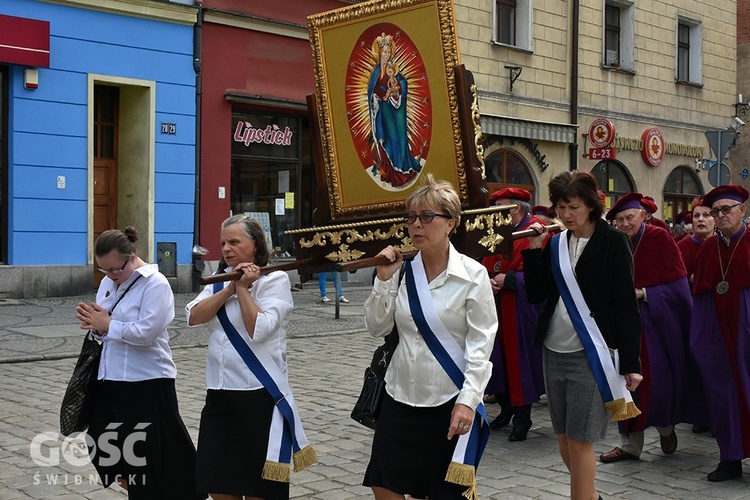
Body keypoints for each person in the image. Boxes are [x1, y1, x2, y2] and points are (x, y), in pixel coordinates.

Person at [363, 173, 497, 499]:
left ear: (450, 223)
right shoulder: (400, 271)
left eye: (426, 216)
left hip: (448, 402)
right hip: (399, 397)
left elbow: (481, 345)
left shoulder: (472, 275)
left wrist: (468, 402)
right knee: (384, 483)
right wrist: (383, 280)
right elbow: (377, 328)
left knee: (442, 492)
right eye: (411, 217)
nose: (416, 225)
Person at [523, 170, 642, 500]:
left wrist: (631, 362)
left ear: (591, 205)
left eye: (572, 206)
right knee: (563, 439)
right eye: (560, 207)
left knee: (580, 440)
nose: (564, 215)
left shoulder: (614, 241)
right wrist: (534, 249)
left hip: (593, 353)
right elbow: (537, 295)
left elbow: (625, 306)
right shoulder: (557, 242)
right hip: (553, 348)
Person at [186, 214, 317, 499]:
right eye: (223, 243)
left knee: (260, 491)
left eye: (235, 242)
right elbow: (194, 316)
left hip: (258, 397)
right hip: (220, 395)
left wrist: (244, 290)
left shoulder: (275, 280)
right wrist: (232, 287)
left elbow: (258, 329)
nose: (226, 249)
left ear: (256, 245)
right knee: (220, 487)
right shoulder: (219, 282)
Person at [75, 227, 202, 499]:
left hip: (147, 380)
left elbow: (146, 333)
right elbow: (106, 328)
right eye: (102, 271)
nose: (108, 277)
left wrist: (109, 325)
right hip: (110, 378)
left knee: (151, 456)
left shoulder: (156, 284)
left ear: (131, 257)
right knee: (100, 438)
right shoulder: (110, 281)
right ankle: (134, 485)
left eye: (114, 270)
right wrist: (96, 325)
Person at [600, 192, 695, 464]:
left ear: (643, 216)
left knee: (657, 383)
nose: (625, 224)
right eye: (619, 220)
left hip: (655, 325)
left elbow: (677, 287)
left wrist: (646, 293)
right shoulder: (613, 242)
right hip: (621, 326)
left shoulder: (658, 238)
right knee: (622, 383)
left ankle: (666, 427)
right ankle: (629, 445)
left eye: (630, 217)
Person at [690, 184, 750, 482]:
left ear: (743, 211)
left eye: (727, 209)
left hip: (746, 334)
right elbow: (700, 297)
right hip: (719, 338)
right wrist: (701, 340)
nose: (721, 215)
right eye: (717, 211)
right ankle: (730, 459)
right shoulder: (707, 250)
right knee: (723, 396)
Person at [481, 187, 546, 442]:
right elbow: (487, 262)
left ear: (516, 208)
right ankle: (506, 408)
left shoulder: (536, 230)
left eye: (500, 208)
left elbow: (538, 272)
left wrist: (507, 279)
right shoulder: (498, 231)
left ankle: (523, 417)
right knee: (498, 360)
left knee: (520, 363)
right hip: (496, 304)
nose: (494, 214)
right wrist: (487, 279)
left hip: (521, 308)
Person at [367, 32, 421, 187]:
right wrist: (381, 96)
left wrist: (398, 90)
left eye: (389, 52)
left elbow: (403, 83)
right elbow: (372, 91)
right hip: (383, 111)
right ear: (379, 53)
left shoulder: (394, 70)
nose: (387, 54)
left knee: (399, 137)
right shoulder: (376, 72)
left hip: (396, 110)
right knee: (388, 137)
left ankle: (403, 168)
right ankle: (389, 171)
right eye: (384, 52)